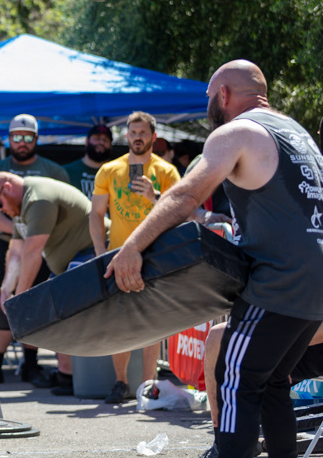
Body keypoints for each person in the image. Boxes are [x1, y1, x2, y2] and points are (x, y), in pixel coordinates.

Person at [107, 60, 323, 458]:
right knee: (272, 380)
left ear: (223, 94)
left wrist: (132, 247)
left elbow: (186, 194)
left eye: (209, 97)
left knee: (235, 378)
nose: (208, 106)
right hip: (316, 285)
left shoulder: (238, 131)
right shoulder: (297, 134)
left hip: (280, 281)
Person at [0, 173, 107, 396]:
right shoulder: (20, 207)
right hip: (70, 262)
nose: (0, 210)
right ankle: (66, 375)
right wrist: (5, 289)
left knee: (66, 313)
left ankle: (75, 376)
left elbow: (32, 252)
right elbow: (16, 251)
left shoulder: (37, 199)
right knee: (56, 314)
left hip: (93, 253)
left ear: (8, 188)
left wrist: (19, 297)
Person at [89, 111, 181, 404]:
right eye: (133, 132)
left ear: (154, 137)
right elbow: (96, 214)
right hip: (117, 255)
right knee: (120, 322)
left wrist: (154, 198)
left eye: (143, 133)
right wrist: (100, 253)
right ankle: (120, 382)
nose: (137, 137)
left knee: (152, 322)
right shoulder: (109, 170)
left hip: (155, 255)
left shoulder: (167, 171)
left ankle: (148, 385)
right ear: (126, 136)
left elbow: (178, 212)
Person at [0, 114, 68, 384]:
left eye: (27, 137)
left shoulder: (54, 171)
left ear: (36, 139)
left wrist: (31, 234)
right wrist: (21, 229)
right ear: (9, 139)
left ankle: (31, 364)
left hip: (42, 248)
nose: (22, 142)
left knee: (34, 303)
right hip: (5, 246)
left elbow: (61, 207)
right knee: (1, 305)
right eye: (17, 136)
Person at [199, 323, 323, 458]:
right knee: (218, 335)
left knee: (271, 382)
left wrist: (278, 348)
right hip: (288, 335)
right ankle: (222, 444)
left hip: (304, 341)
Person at [63, 124, 114, 199]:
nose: (101, 142)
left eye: (105, 140)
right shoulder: (66, 172)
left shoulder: (118, 173)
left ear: (111, 145)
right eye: (97, 138)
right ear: (87, 141)